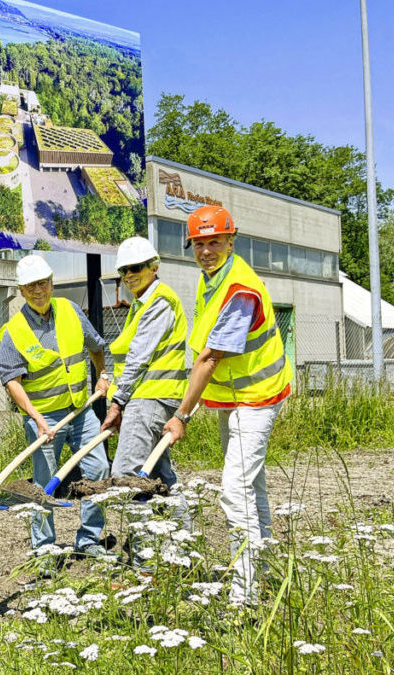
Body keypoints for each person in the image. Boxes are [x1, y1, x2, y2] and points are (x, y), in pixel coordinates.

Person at [162, 205, 293, 606]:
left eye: (214, 241)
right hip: (235, 399)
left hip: (257, 397)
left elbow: (209, 358)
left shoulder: (239, 289)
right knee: (251, 487)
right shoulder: (211, 280)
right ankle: (265, 574)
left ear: (231, 240)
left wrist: (181, 414)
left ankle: (245, 597)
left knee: (234, 492)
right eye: (199, 243)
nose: (206, 250)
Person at [0, 254, 111, 559]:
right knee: (44, 484)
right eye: (31, 286)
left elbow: (96, 345)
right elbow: (11, 380)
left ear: (51, 283)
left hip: (80, 410)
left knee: (99, 468)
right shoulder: (15, 330)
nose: (39, 290)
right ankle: (44, 549)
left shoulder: (69, 310)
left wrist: (103, 376)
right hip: (43, 418)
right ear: (21, 290)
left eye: (43, 283)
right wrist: (35, 419)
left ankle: (88, 541)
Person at [100, 237, 191, 536]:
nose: (129, 275)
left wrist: (118, 403)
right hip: (148, 399)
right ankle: (183, 543)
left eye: (135, 268)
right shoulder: (141, 303)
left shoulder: (158, 301)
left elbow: (140, 357)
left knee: (127, 476)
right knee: (160, 475)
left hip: (149, 398)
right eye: (124, 271)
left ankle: (145, 560)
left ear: (154, 266)